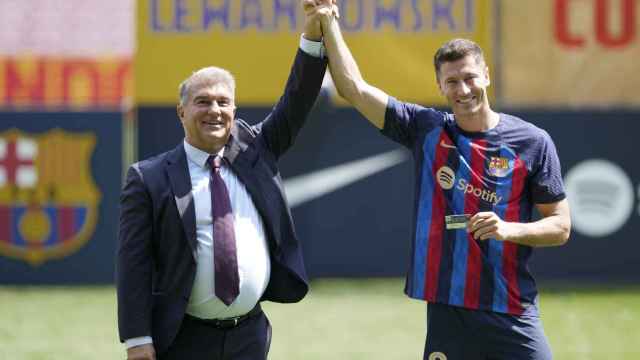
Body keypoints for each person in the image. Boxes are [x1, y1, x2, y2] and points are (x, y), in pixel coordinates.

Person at [307, 1, 571, 359]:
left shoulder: (532, 142)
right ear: (440, 86)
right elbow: (353, 88)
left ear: (486, 76)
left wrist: (509, 229)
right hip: (449, 313)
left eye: (469, 78)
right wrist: (328, 21)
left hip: (511, 310)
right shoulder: (427, 130)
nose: (463, 89)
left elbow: (560, 225)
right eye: (452, 82)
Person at [116, 6, 328, 360]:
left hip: (249, 335)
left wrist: (312, 34)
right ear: (181, 112)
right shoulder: (148, 178)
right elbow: (132, 265)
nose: (214, 110)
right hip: (183, 339)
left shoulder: (255, 149)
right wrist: (137, 339)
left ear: (234, 110)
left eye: (223, 102)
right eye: (202, 102)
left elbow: (298, 99)